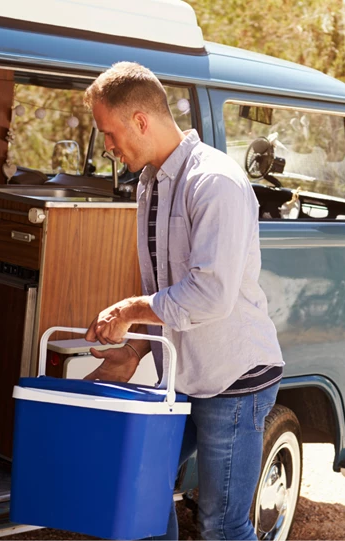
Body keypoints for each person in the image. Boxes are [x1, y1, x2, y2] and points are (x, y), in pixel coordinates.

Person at [81, 62, 284, 540]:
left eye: (109, 134)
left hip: (234, 382)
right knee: (139, 489)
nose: (107, 148)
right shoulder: (151, 182)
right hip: (183, 375)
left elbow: (209, 294)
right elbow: (166, 284)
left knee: (221, 525)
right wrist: (135, 350)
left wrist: (130, 312)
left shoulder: (214, 181)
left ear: (140, 121)